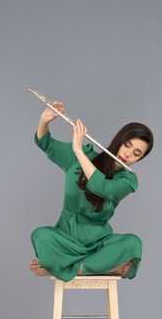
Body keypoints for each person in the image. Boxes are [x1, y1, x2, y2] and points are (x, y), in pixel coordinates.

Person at [30, 102, 153, 282]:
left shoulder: (128, 180)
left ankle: (60, 267)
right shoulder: (84, 155)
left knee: (133, 243)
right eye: (127, 145)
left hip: (99, 243)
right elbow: (46, 144)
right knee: (40, 235)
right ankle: (103, 267)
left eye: (136, 153)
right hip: (66, 237)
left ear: (139, 159)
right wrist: (44, 121)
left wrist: (78, 151)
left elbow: (101, 187)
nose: (127, 154)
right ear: (119, 140)